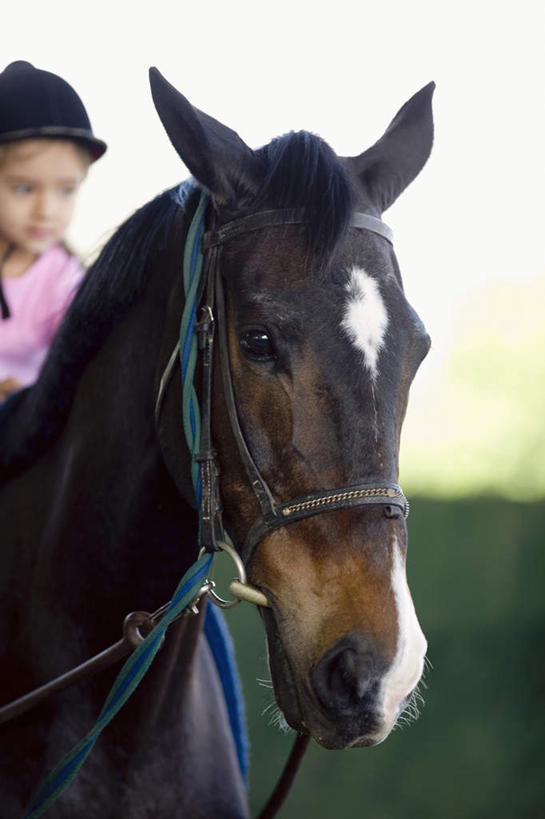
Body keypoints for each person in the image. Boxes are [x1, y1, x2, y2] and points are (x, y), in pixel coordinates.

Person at [0, 61, 107, 401]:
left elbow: (77, 362)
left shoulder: (61, 278)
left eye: (65, 191)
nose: (46, 211)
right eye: (23, 189)